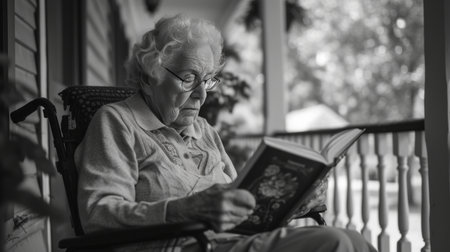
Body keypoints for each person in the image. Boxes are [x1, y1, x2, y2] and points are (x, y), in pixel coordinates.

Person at [75, 14, 377, 252]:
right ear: (150, 74)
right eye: (189, 78)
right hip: (185, 248)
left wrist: (293, 203)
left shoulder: (204, 131)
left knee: (355, 242)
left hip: (233, 243)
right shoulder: (117, 123)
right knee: (340, 244)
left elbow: (244, 210)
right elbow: (98, 216)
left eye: (206, 80)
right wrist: (183, 210)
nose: (201, 96)